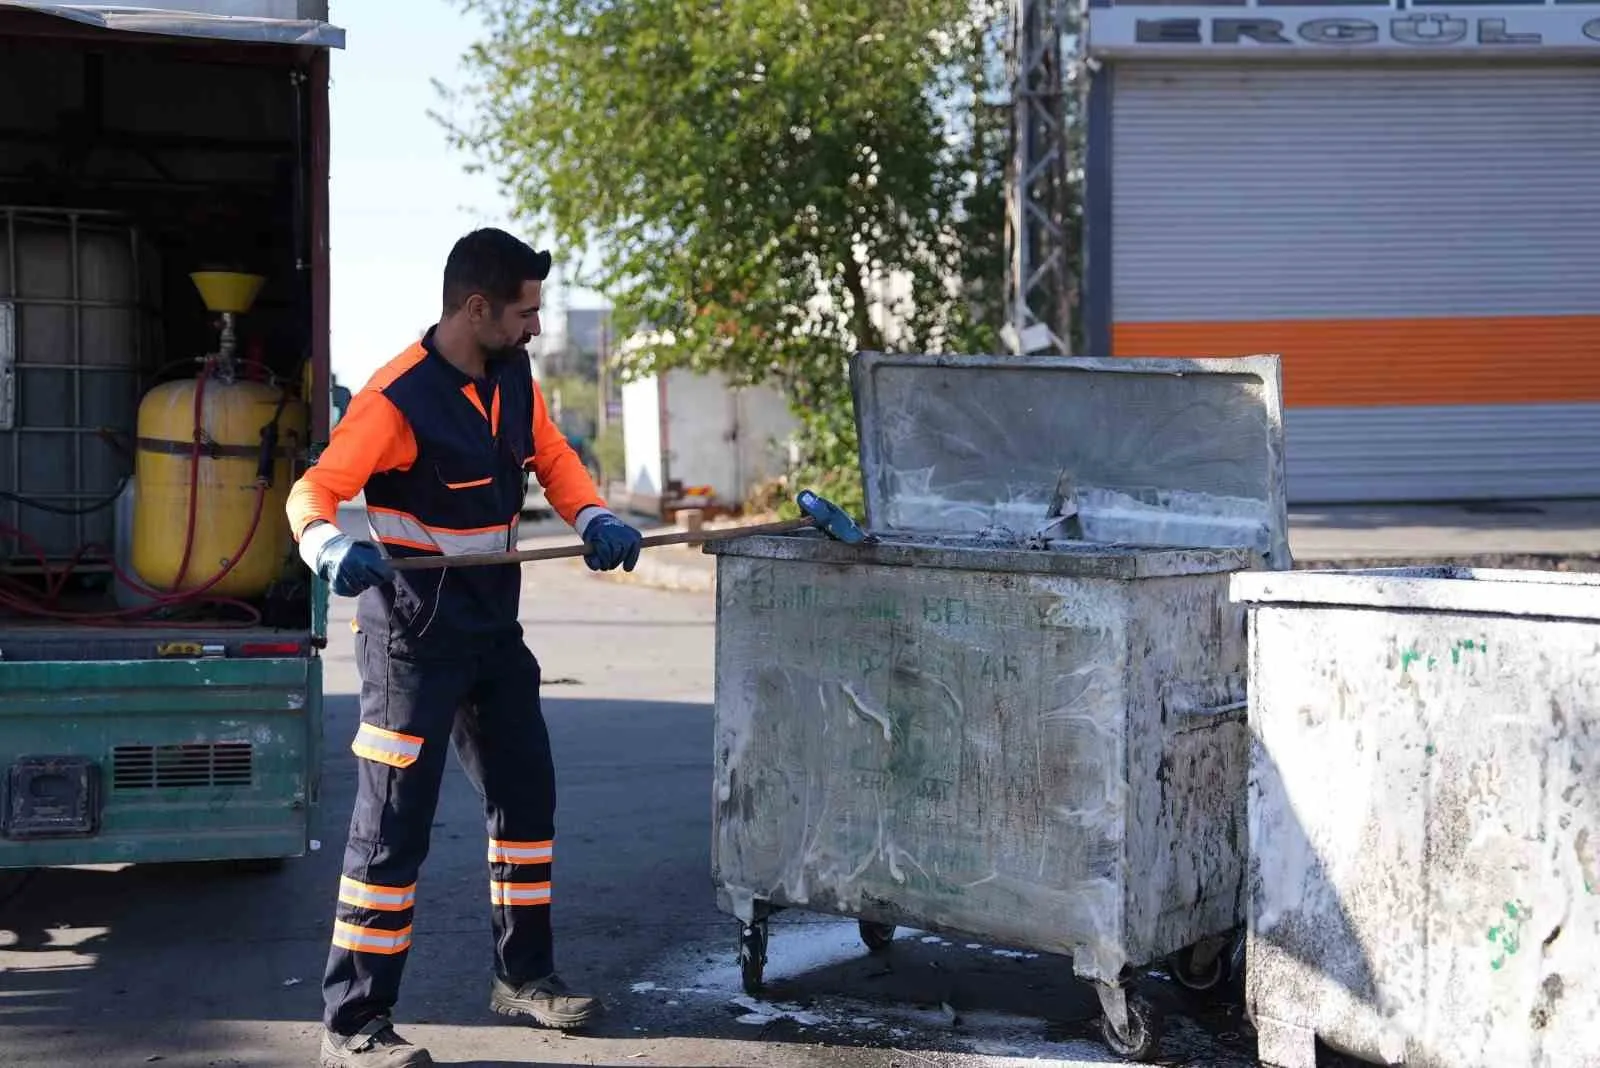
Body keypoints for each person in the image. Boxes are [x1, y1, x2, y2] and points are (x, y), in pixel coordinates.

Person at [285, 228, 644, 1068]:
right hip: (412, 642)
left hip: (492, 633)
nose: (536, 328)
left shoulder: (513, 376)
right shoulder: (397, 398)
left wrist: (594, 516)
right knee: (391, 831)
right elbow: (316, 490)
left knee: (526, 802)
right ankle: (353, 1024)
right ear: (476, 308)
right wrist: (328, 547)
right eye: (526, 313)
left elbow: (551, 456)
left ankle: (525, 977)